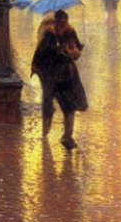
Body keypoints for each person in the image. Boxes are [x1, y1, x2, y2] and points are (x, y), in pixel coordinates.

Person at [31, 9, 88, 150]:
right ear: (56, 22)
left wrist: (74, 51)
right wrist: (59, 51)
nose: (62, 25)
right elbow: (42, 55)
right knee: (48, 103)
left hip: (67, 75)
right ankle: (46, 132)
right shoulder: (49, 35)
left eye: (64, 22)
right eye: (60, 23)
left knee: (70, 106)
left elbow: (76, 50)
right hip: (51, 75)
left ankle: (67, 136)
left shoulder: (70, 32)